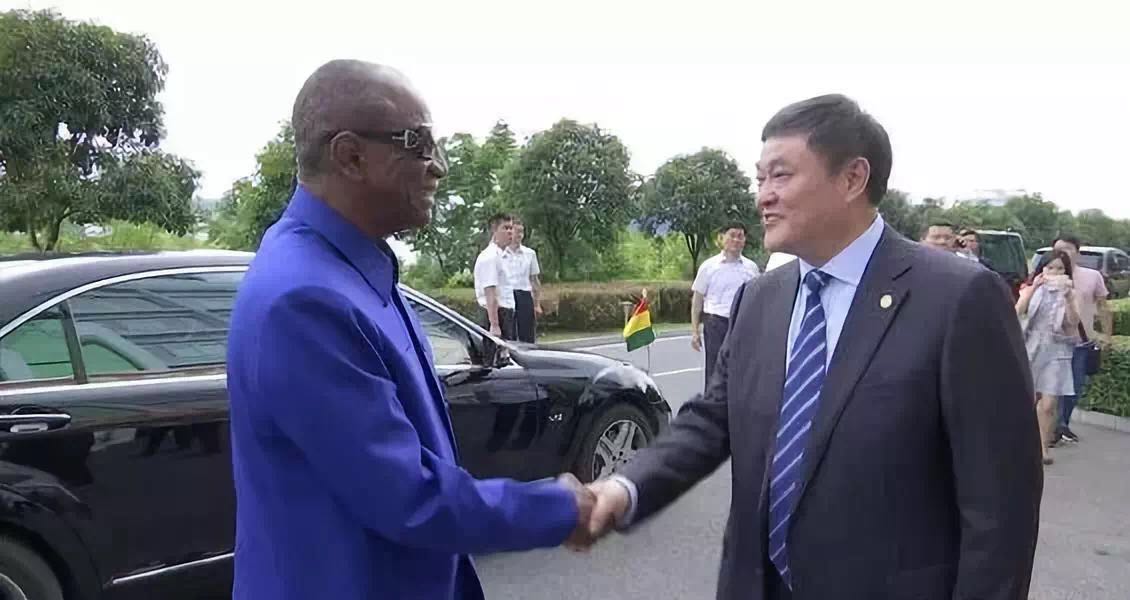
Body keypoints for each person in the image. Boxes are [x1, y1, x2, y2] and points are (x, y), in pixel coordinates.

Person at [583, 94, 1042, 600]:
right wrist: (625, 488)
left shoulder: (958, 298)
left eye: (780, 176)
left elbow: (1002, 508)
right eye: (760, 179)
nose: (763, 197)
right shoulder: (759, 299)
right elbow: (713, 419)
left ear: (852, 178)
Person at [225, 60, 593, 600]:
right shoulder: (304, 299)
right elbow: (406, 496)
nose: (438, 166)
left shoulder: (352, 267)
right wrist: (556, 509)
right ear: (350, 156)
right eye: (417, 144)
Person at [1016, 250, 1080, 465]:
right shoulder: (1030, 288)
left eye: (1060, 268)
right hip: (1030, 346)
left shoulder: (1071, 293)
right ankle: (1022, 442)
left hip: (1057, 348)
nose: (1054, 272)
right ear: (1042, 269)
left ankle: (1042, 447)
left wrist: (1068, 297)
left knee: (1049, 403)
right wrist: (1033, 288)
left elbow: (1073, 322)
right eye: (1050, 267)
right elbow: (1017, 312)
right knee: (1026, 398)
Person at [1052, 235, 1114, 443]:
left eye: (1068, 249)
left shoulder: (1092, 276)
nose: (1063, 253)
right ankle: (1051, 429)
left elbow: (1103, 306)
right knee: (1050, 389)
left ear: (1078, 252)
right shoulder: (1049, 274)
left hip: (1080, 342)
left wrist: (1107, 335)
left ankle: (1062, 424)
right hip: (1053, 343)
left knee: (1075, 388)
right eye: (1058, 249)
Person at [691, 222, 760, 385]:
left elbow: (757, 300)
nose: (736, 240)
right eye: (732, 235)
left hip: (741, 324)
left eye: (740, 236)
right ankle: (711, 401)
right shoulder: (708, 267)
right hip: (715, 323)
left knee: (740, 369)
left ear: (744, 241)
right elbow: (697, 300)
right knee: (715, 370)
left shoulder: (751, 268)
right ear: (721, 238)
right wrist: (695, 331)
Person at [473, 213, 517, 340]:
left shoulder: (503, 255)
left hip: (507, 313)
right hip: (496, 315)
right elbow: (490, 293)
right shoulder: (490, 256)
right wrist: (495, 325)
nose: (510, 232)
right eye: (505, 228)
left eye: (511, 228)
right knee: (496, 351)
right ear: (494, 230)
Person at [505, 218, 543, 343]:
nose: (520, 235)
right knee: (509, 332)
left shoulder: (530, 253)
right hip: (507, 294)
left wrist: (537, 304)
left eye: (522, 232)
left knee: (527, 333)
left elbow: (534, 280)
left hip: (524, 294)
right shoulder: (500, 253)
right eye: (517, 231)